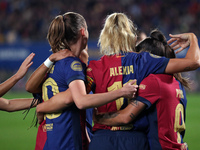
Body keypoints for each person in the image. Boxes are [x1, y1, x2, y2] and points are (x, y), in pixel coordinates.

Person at [27, 12, 200, 150]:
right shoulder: (145, 60)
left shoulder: (93, 68)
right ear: (131, 36)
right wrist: (192, 38)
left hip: (102, 140)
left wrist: (42, 106)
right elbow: (193, 62)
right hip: (135, 139)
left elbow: (69, 97)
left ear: (104, 36)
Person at [26, 12, 137, 150]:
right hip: (67, 141)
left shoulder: (58, 62)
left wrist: (50, 59)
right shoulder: (74, 65)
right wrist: (121, 92)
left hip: (50, 139)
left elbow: (30, 87)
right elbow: (78, 100)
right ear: (83, 31)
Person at [93, 29, 193, 150]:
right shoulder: (177, 83)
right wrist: (193, 39)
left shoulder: (154, 82)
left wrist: (97, 118)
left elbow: (125, 117)